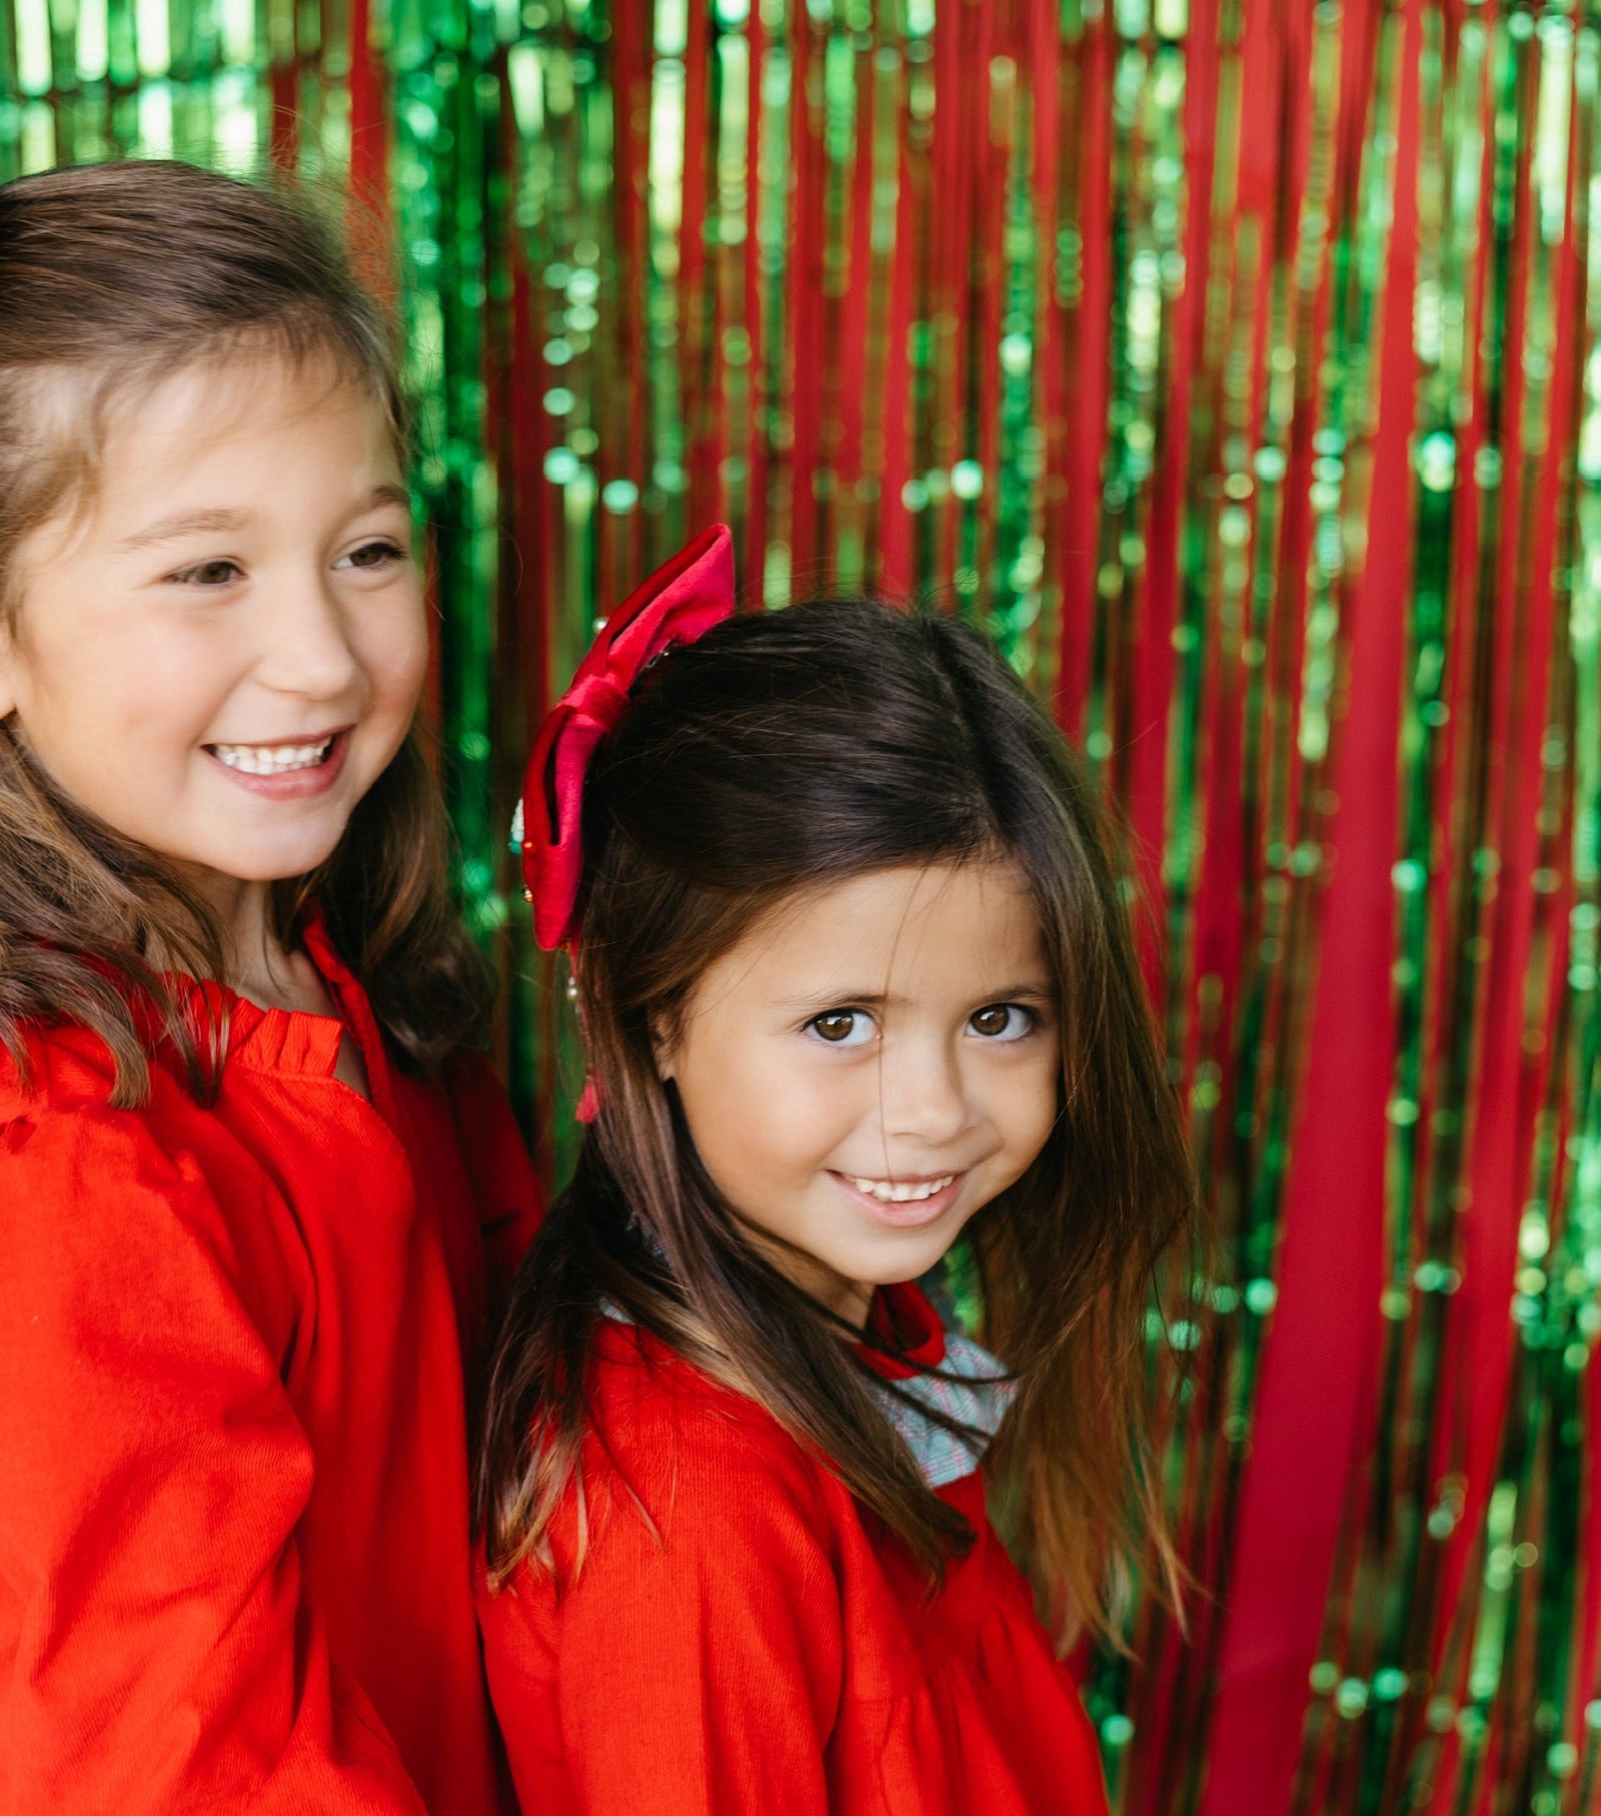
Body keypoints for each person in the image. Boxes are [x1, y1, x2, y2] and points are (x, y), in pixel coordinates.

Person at [0, 154, 538, 1813]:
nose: (320, 652)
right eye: (206, 571)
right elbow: (205, 1759)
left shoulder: (361, 996)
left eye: (365, 548)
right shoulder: (41, 1170)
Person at [477, 528, 1199, 1814]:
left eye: (999, 1019)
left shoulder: (866, 1334)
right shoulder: (690, 1509)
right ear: (656, 1018)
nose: (927, 1115)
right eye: (838, 1024)